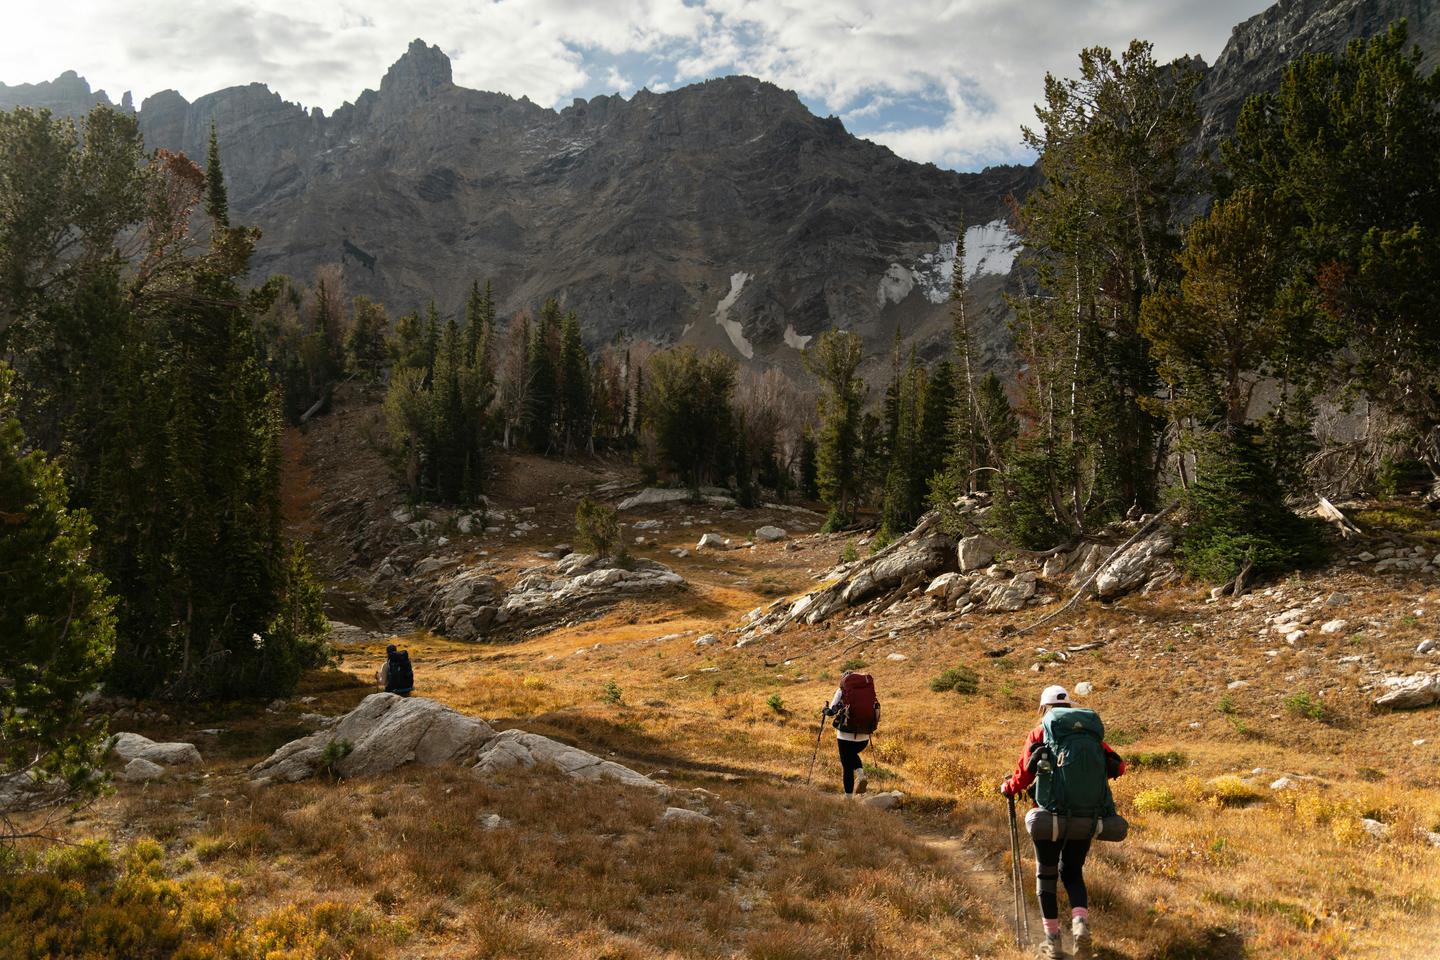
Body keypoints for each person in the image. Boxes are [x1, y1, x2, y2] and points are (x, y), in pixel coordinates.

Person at [1000, 685, 1125, 960]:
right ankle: (1080, 926)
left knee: (1046, 876)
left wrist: (1008, 787)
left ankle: (1052, 941)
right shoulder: (1089, 735)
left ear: (1043, 708)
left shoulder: (1039, 732)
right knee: (1072, 872)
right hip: (1086, 818)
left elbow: (1023, 776)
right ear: (1070, 707)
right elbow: (1119, 766)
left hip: (1049, 819)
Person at [822, 671, 879, 795]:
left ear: (844, 679)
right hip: (864, 736)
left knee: (847, 765)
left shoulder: (842, 690)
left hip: (845, 735)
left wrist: (824, 709)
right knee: (853, 754)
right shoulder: (868, 691)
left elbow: (831, 712)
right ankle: (860, 773)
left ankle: (848, 799)